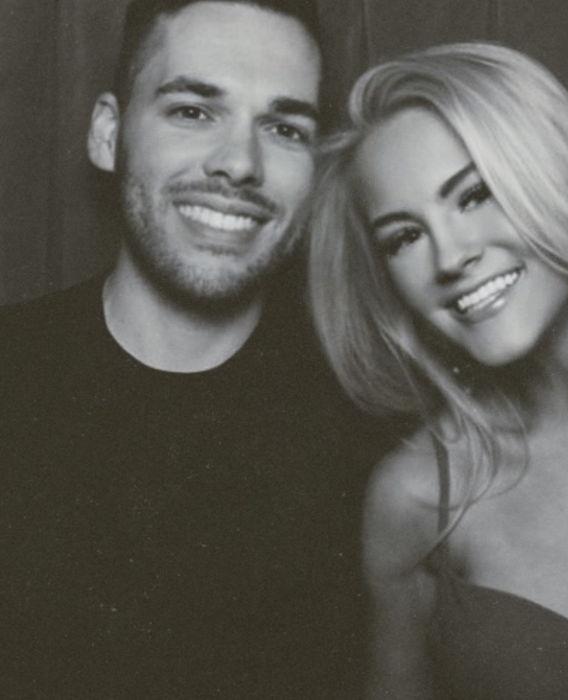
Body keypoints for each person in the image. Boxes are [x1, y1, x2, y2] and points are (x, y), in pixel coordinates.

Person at [0, 1, 386, 696]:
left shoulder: (379, 422)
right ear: (109, 134)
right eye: (193, 111)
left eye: (284, 128)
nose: (239, 164)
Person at [308, 42, 568, 698]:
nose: (450, 257)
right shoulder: (415, 499)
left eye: (474, 195)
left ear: (559, 177)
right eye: (405, 237)